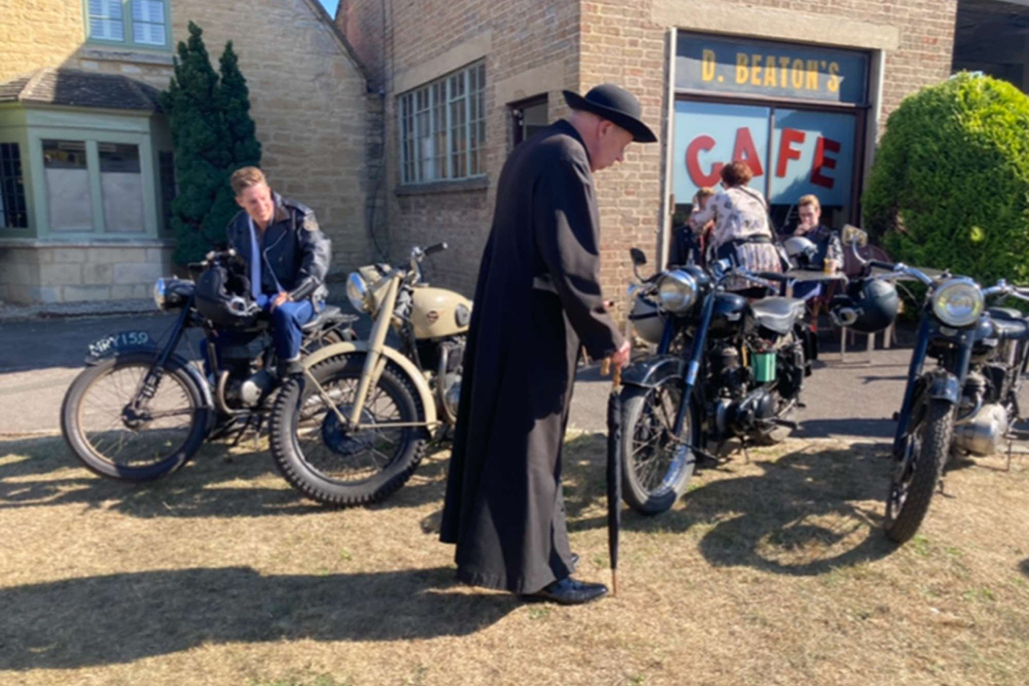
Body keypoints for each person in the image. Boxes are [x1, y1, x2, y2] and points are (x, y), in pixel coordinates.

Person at [439, 84, 655, 605]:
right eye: (624, 146)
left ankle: (536, 557)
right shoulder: (566, 158)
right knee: (533, 451)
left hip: (508, 315)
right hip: (533, 324)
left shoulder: (534, 149)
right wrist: (608, 337)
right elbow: (572, 261)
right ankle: (538, 574)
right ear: (604, 127)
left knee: (515, 446)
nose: (622, 159)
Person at [223, 166, 331, 378]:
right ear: (240, 202)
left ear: (269, 191)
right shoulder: (238, 227)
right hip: (259, 298)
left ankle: (290, 378)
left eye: (265, 197)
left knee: (285, 312)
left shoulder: (297, 216)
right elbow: (234, 269)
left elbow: (318, 256)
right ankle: (227, 386)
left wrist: (294, 294)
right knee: (218, 328)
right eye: (253, 201)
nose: (262, 205)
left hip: (302, 295)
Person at [688, 161, 782, 295]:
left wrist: (696, 206)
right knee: (759, 302)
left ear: (725, 180)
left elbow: (696, 222)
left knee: (734, 302)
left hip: (738, 254)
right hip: (765, 254)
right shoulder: (758, 196)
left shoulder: (722, 196)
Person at [787, 194, 843, 329]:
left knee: (794, 296)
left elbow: (839, 258)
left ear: (818, 212)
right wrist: (794, 239)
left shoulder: (829, 235)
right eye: (802, 215)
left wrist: (834, 262)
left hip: (816, 279)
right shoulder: (797, 233)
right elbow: (786, 260)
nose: (806, 219)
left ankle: (792, 328)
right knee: (772, 291)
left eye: (810, 214)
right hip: (794, 278)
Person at [668, 187, 715, 268]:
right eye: (701, 209)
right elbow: (674, 265)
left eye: (708, 210)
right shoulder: (681, 234)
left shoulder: (720, 235)